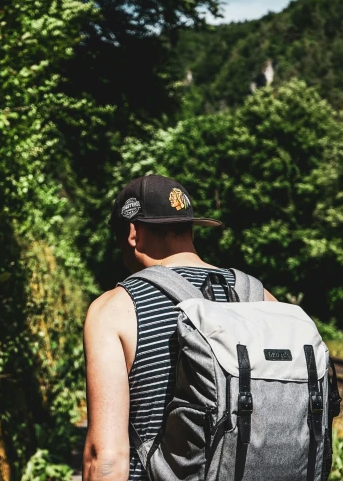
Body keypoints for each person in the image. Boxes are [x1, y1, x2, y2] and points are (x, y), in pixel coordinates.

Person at [82, 174, 278, 481]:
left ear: (132, 233)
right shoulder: (261, 297)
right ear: (190, 229)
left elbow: (106, 458)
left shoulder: (114, 310)